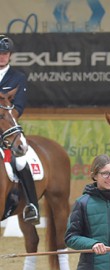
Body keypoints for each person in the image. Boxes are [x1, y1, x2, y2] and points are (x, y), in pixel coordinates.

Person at [0, 34, 39, 223]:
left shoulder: (18, 78)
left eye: (5, 53)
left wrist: (5, 122)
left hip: (7, 129)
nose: (2, 57)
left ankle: (32, 205)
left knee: (21, 161)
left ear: (10, 55)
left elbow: (18, 108)